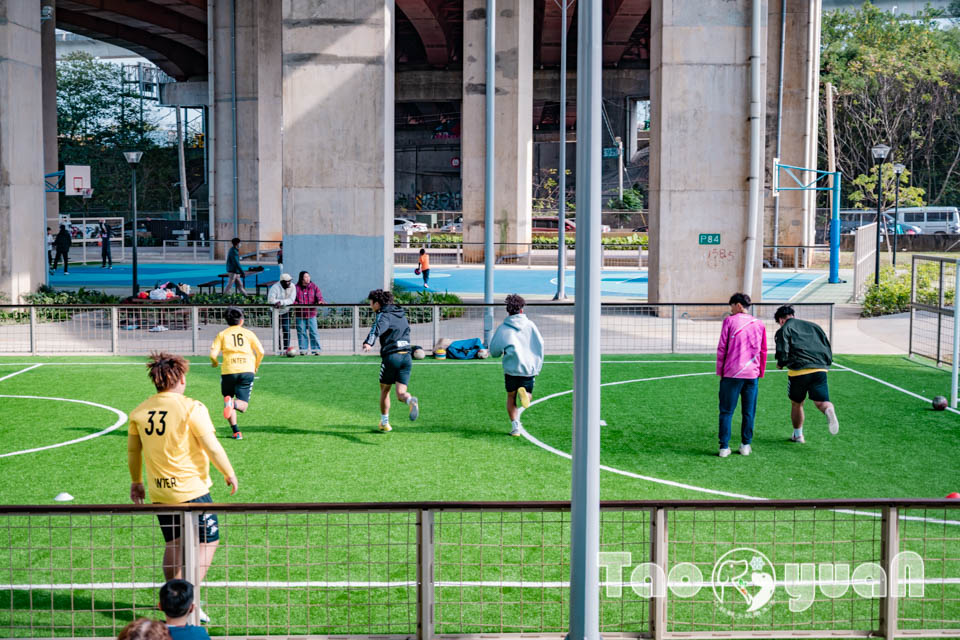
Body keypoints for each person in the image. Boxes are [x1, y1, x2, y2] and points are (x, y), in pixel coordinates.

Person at [127, 352, 238, 626]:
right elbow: (211, 445)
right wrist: (229, 472)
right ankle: (182, 601)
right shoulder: (192, 407)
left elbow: (133, 451)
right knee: (208, 541)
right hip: (193, 491)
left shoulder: (140, 411)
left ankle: (170, 597)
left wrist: (137, 482)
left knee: (173, 544)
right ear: (180, 379)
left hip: (160, 493)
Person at [774, 305, 840, 443]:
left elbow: (783, 350)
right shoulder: (814, 326)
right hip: (820, 369)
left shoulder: (784, 329)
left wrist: (781, 363)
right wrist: (825, 363)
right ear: (793, 315)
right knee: (821, 402)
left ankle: (798, 435)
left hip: (799, 371)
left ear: (781, 320)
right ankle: (829, 409)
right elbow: (826, 345)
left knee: (797, 403)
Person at [715, 292, 767, 458]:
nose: (730, 310)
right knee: (749, 411)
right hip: (752, 374)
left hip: (731, 373)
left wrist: (720, 371)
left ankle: (724, 447)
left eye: (731, 306)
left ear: (738, 305)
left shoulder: (729, 321)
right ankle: (745, 444)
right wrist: (761, 371)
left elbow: (722, 347)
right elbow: (763, 350)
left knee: (726, 411)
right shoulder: (759, 324)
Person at [362, 288, 419, 432]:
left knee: (385, 390)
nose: (370, 305)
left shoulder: (384, 314)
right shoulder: (400, 313)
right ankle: (410, 400)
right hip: (407, 356)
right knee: (401, 394)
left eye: (371, 302)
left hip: (392, 356)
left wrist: (369, 342)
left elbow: (377, 328)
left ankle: (384, 423)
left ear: (377, 303)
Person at [489, 294, 544, 436]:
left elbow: (494, 350)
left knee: (510, 397)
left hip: (511, 368)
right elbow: (540, 345)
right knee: (528, 394)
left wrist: (501, 352)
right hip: (528, 368)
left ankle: (515, 428)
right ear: (522, 309)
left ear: (508, 310)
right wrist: (537, 366)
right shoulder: (531, 325)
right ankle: (525, 395)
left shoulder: (503, 328)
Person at [210, 307, 264, 440]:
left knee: (228, 397)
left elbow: (213, 354)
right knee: (243, 405)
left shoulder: (222, 334)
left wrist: (215, 362)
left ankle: (236, 431)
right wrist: (255, 366)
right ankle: (232, 404)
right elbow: (261, 352)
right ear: (241, 320)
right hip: (246, 370)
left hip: (228, 371)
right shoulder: (248, 333)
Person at [294, 271, 324, 355]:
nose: (308, 278)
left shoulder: (314, 287)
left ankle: (316, 350)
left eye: (308, 276)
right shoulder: (296, 288)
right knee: (301, 332)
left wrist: (320, 301)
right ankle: (303, 350)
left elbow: (319, 296)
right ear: (301, 278)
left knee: (313, 332)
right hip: (300, 314)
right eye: (306, 277)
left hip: (311, 314)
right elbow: (293, 299)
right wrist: (299, 305)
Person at [267, 273, 296, 351]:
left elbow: (291, 300)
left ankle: (286, 349)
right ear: (282, 282)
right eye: (287, 281)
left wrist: (280, 302)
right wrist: (280, 302)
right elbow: (271, 300)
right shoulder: (275, 287)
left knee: (286, 330)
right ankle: (278, 349)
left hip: (285, 311)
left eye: (290, 281)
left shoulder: (293, 286)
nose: (289, 283)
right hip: (274, 311)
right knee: (276, 331)